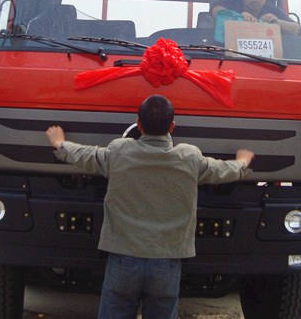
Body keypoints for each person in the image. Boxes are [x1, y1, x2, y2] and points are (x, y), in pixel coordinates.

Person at [45, 95, 254, 319]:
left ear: (139, 125)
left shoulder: (119, 152)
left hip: (123, 259)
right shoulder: (189, 157)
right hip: (167, 263)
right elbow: (220, 170)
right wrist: (241, 163)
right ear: (172, 126)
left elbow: (87, 155)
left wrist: (60, 144)